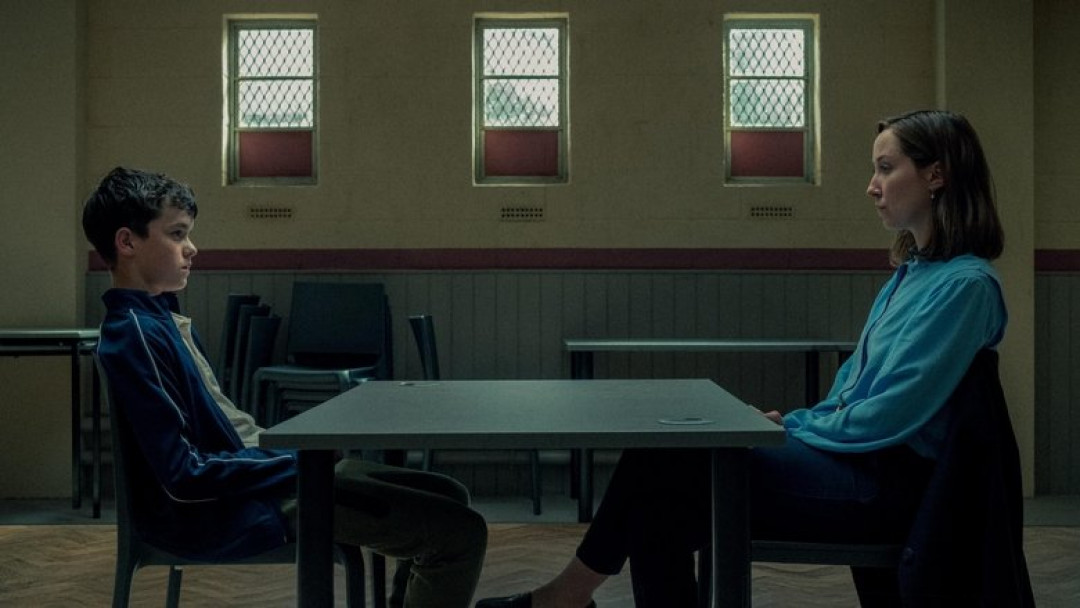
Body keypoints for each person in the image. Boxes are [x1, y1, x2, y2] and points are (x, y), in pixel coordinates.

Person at [476, 109, 1008, 607]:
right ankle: (567, 597)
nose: (872, 186)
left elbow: (892, 413)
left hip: (883, 487)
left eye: (886, 168)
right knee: (659, 487)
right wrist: (791, 423)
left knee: (661, 467)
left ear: (936, 175)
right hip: (854, 464)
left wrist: (789, 431)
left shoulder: (966, 286)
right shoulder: (911, 276)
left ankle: (565, 596)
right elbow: (850, 390)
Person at [83, 166, 487, 608]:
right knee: (460, 532)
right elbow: (184, 475)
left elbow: (225, 435)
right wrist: (300, 462)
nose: (192, 248)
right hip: (227, 512)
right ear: (127, 243)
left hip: (256, 484)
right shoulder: (135, 334)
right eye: (177, 234)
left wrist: (293, 458)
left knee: (448, 495)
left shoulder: (159, 320)